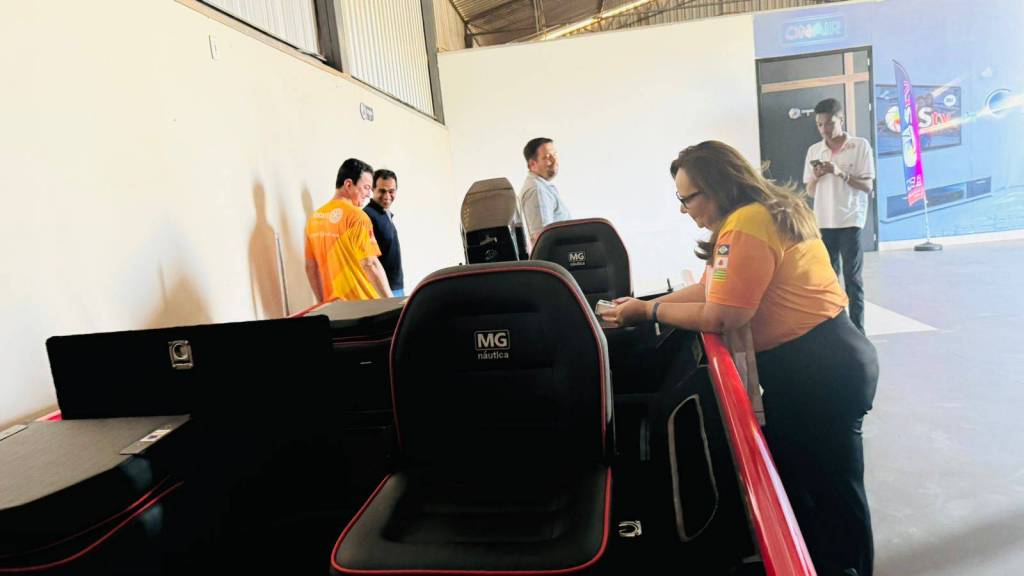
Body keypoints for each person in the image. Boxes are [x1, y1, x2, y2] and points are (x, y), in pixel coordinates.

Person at [601, 141, 878, 576]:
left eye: (688, 198)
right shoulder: (755, 215)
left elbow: (723, 315)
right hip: (818, 363)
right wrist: (644, 303)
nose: (685, 210)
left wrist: (649, 312)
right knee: (815, 489)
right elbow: (710, 289)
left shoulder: (747, 224)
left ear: (716, 186)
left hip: (819, 369)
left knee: (832, 495)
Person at [804, 98, 875, 333]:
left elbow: (867, 186)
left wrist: (839, 172)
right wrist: (817, 176)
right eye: (819, 125)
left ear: (841, 120)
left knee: (852, 278)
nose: (824, 129)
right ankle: (837, 329)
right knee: (828, 278)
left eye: (829, 123)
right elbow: (809, 190)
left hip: (850, 219)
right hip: (823, 220)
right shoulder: (814, 150)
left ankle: (858, 330)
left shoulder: (859, 146)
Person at [305, 158, 392, 302]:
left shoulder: (314, 219)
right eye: (366, 188)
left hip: (335, 308)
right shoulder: (357, 217)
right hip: (364, 305)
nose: (369, 194)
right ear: (348, 184)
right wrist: (391, 302)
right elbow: (370, 264)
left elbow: (310, 267)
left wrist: (322, 303)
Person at [519, 137, 570, 244]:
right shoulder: (538, 190)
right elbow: (542, 238)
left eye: (554, 155)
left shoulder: (542, 187)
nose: (554, 161)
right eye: (547, 157)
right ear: (532, 164)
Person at [364, 168, 404, 297]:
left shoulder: (385, 214)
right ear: (372, 189)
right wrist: (386, 293)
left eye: (391, 191)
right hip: (383, 291)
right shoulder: (367, 216)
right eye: (382, 191)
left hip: (396, 287)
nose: (387, 196)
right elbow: (369, 261)